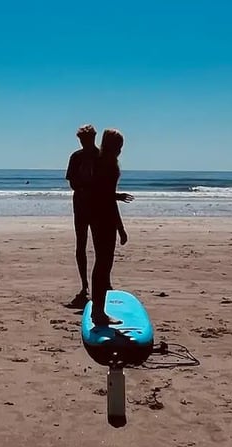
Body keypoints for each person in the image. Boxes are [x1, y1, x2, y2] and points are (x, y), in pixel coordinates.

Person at [88, 129, 133, 325]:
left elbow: (100, 193)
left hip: (95, 216)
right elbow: (107, 199)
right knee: (104, 265)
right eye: (119, 147)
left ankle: (98, 309)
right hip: (104, 218)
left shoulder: (97, 163)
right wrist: (120, 228)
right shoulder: (110, 166)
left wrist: (116, 196)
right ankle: (99, 313)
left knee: (102, 264)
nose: (120, 151)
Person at [65, 124, 101, 308]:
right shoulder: (76, 157)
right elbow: (72, 182)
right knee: (81, 245)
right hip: (80, 205)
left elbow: (106, 183)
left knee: (99, 247)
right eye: (82, 139)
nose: (84, 142)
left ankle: (98, 287)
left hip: (97, 206)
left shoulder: (101, 157)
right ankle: (84, 286)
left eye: (87, 138)